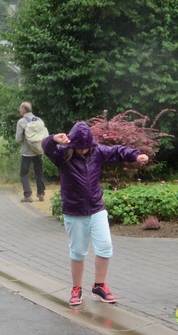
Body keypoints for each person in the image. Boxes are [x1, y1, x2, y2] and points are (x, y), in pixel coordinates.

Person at [42, 121, 148, 306]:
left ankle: (99, 286)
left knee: (105, 247)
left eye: (85, 148)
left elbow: (117, 150)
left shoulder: (97, 151)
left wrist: (136, 155)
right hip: (74, 212)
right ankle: (76, 289)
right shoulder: (61, 155)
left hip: (97, 209)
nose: (82, 151)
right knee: (78, 252)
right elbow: (46, 147)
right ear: (72, 144)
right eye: (78, 148)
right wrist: (53, 138)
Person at [15, 102, 45, 202]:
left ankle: (28, 195)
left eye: (20, 108)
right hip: (38, 150)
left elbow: (18, 139)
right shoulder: (39, 120)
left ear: (24, 110)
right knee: (39, 172)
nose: (19, 110)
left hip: (27, 152)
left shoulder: (21, 121)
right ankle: (41, 194)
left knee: (23, 173)